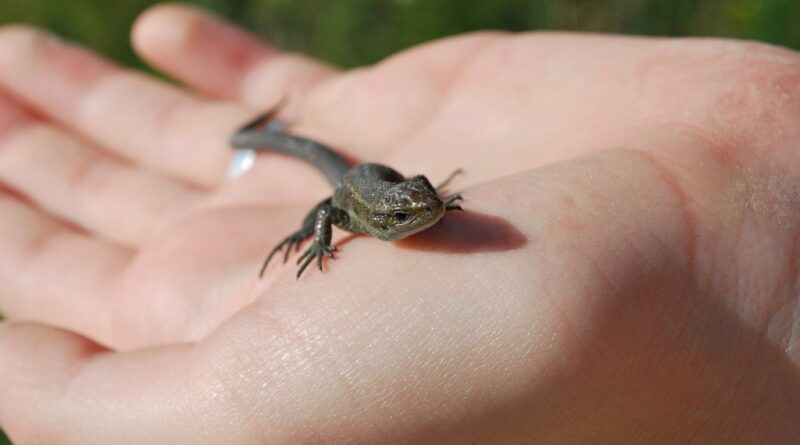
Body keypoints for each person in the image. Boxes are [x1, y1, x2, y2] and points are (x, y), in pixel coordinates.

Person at [0, 4, 797, 444]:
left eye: (427, 206)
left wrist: (439, 199)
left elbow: (415, 194)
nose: (429, 212)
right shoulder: (370, 213)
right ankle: (258, 135)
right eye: (417, 209)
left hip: (369, 178)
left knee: (366, 172)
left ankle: (263, 132)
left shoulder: (412, 205)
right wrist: (316, 236)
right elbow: (341, 202)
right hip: (348, 188)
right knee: (316, 171)